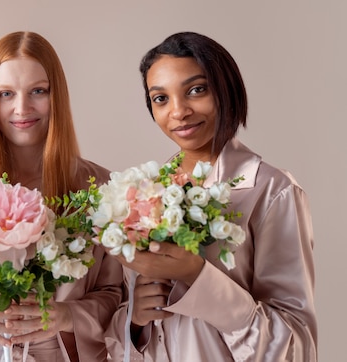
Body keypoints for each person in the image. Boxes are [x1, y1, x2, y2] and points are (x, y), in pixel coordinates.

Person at [104, 31, 317, 361]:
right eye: (161, 98)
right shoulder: (145, 195)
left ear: (225, 89)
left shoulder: (272, 192)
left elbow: (295, 348)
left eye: (196, 90)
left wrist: (197, 276)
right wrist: (136, 320)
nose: (179, 111)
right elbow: (126, 343)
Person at [0, 31, 123, 361]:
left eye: (38, 91)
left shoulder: (99, 187)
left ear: (57, 95)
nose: (21, 108)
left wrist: (68, 316)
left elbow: (115, 295)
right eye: (5, 94)